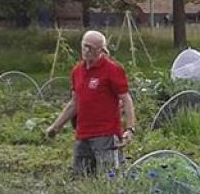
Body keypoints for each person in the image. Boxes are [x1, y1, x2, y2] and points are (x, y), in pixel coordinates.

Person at [46, 30, 136, 175]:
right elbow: (74, 103)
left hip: (106, 135)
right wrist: (56, 126)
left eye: (91, 48)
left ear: (101, 50)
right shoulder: (77, 71)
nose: (86, 51)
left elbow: (126, 99)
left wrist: (130, 129)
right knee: (81, 177)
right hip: (83, 134)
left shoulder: (112, 69)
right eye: (84, 46)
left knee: (109, 177)